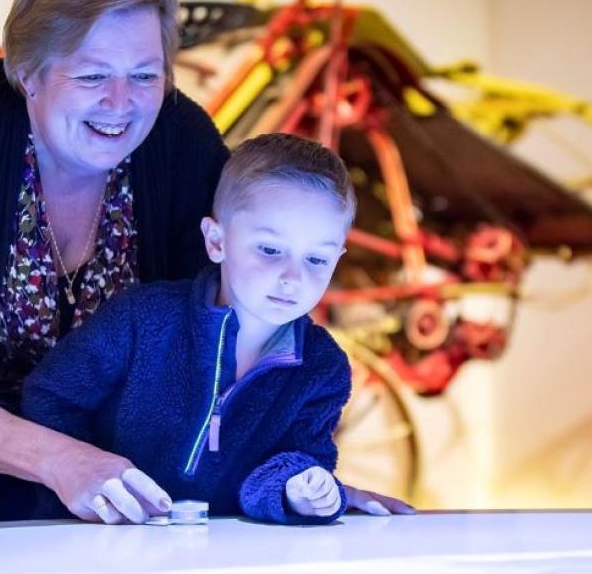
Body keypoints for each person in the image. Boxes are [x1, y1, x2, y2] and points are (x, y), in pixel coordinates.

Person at [0, 0, 411, 529]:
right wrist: (63, 460)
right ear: (27, 73)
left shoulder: (180, 143)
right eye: (92, 74)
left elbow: (217, 338)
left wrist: (293, 478)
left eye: (145, 75)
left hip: (98, 495)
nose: (120, 104)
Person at [22, 134, 353, 525]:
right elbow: (50, 396)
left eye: (317, 258)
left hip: (225, 553)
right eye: (269, 249)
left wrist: (299, 489)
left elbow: (297, 458)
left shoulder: (323, 368)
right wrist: (89, 486)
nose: (292, 277)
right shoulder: (143, 318)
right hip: (101, 537)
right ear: (216, 241)